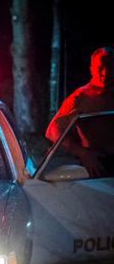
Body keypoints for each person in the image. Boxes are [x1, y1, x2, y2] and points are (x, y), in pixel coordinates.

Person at [46, 47, 114, 177]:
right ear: (92, 68)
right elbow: (53, 131)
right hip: (98, 164)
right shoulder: (80, 98)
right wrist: (83, 153)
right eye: (100, 68)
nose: (105, 73)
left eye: (110, 68)